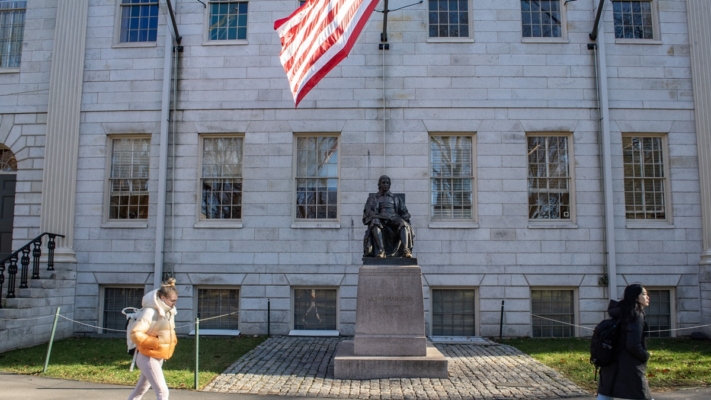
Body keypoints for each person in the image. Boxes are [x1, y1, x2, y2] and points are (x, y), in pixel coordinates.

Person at [597, 284, 652, 400]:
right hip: (629, 364)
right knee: (643, 395)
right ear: (635, 297)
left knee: (605, 395)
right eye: (644, 294)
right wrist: (645, 355)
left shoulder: (619, 311)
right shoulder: (636, 315)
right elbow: (633, 344)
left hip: (610, 359)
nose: (647, 297)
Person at [128, 278, 179, 400]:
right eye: (172, 300)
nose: (174, 303)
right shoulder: (150, 312)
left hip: (157, 356)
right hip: (148, 357)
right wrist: (155, 342)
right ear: (162, 298)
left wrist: (172, 341)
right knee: (163, 392)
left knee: (141, 389)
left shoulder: (168, 312)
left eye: (176, 300)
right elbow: (135, 333)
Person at [362, 175, 415, 258]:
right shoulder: (373, 198)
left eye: (387, 183)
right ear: (379, 184)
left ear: (390, 185)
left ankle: (406, 250)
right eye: (383, 183)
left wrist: (406, 215)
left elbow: (404, 211)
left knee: (403, 224)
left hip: (394, 218)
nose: (385, 184)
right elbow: (368, 211)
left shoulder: (396, 198)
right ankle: (381, 250)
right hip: (380, 218)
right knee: (374, 222)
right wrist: (371, 213)